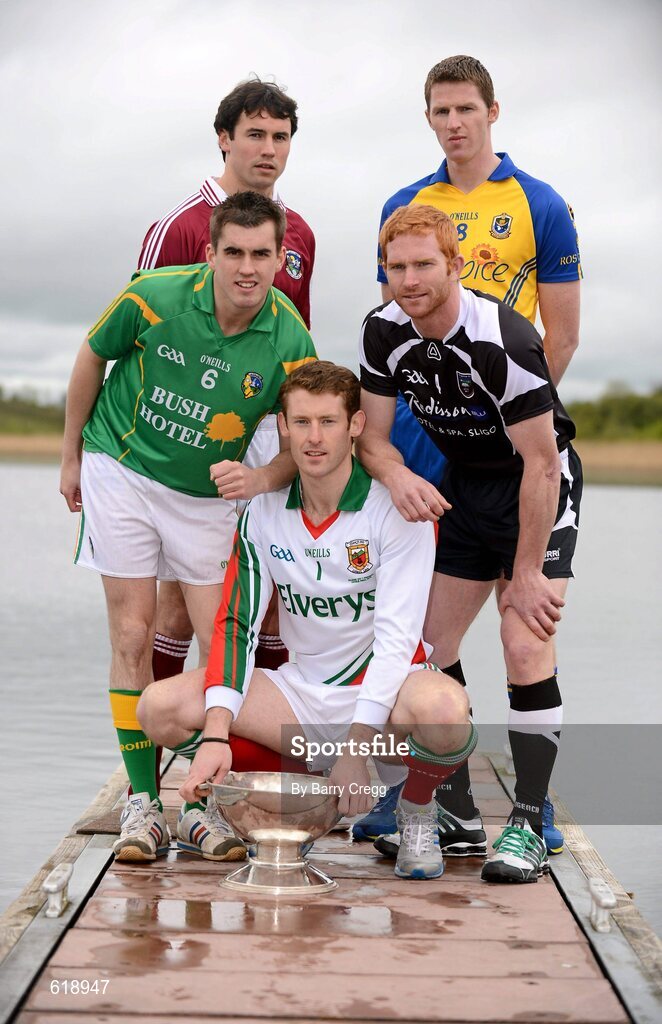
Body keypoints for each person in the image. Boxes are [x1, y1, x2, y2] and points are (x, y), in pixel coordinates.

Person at [355, 54, 582, 854]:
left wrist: (525, 571)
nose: (408, 278)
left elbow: (542, 461)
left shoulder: (505, 334)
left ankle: (531, 819)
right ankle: (450, 804)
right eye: (397, 268)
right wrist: (395, 470)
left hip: (533, 472)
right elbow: (371, 434)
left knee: (524, 635)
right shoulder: (384, 327)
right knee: (428, 645)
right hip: (462, 475)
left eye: (424, 265)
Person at [138, 361, 476, 880]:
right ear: (283, 426)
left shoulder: (396, 511)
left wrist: (355, 751)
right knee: (158, 707)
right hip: (303, 694)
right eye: (301, 422)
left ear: (355, 425)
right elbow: (237, 625)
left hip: (385, 699)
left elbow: (396, 641)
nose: (314, 438)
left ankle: (416, 809)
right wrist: (216, 734)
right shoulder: (263, 512)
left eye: (328, 422)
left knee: (447, 712)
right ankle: (288, 786)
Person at [60, 191, 316, 862]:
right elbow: (91, 355)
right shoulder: (155, 296)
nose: (246, 269)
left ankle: (200, 808)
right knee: (132, 632)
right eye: (233, 252)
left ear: (279, 259)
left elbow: (302, 434)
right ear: (210, 253)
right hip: (123, 467)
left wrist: (259, 479)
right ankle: (144, 805)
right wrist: (69, 455)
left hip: (206, 495)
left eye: (261, 254)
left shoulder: (290, 337)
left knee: (220, 648)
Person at [139, 77, 316, 699]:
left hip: (268, 431)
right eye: (254, 134)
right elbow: (144, 336)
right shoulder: (182, 226)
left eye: (280, 137)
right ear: (224, 139)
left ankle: (254, 735)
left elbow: (298, 343)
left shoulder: (299, 233)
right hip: (194, 431)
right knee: (180, 598)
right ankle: (167, 738)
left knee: (273, 586)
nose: (268, 149)